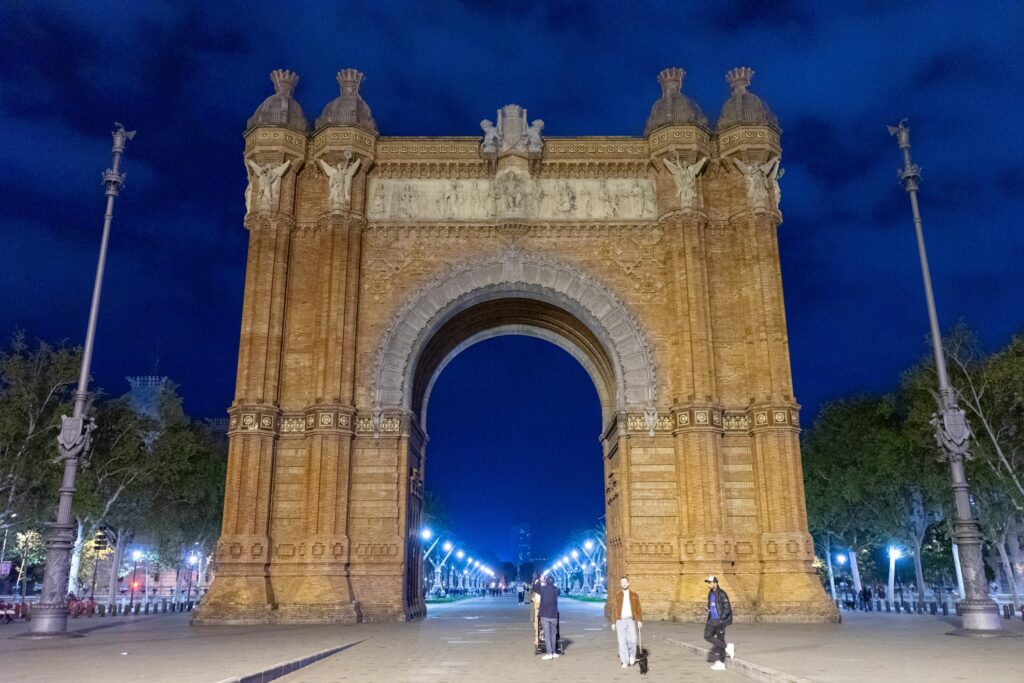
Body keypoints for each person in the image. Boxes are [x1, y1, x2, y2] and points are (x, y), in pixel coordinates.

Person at [610, 576, 643, 668]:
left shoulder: (634, 595)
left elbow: (638, 609)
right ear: (620, 584)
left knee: (633, 640)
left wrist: (639, 620)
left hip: (630, 620)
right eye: (622, 582)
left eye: (625, 582)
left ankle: (632, 655)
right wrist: (613, 622)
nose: (624, 584)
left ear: (629, 583)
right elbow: (613, 609)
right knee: (622, 642)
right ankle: (625, 661)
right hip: (620, 620)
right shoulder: (617, 595)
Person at [704, 575, 734, 671]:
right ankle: (727, 647)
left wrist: (721, 619)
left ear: (715, 583)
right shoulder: (710, 594)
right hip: (712, 620)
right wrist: (709, 609)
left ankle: (721, 663)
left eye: (710, 583)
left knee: (720, 640)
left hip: (719, 621)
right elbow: (713, 605)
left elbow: (727, 608)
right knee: (707, 636)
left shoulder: (722, 594)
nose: (709, 585)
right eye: (708, 583)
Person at [535, 574, 561, 660]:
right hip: (554, 615)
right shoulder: (556, 590)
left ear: (546, 582)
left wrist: (541, 580)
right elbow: (557, 589)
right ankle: (553, 652)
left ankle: (549, 653)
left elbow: (534, 587)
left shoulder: (543, 590)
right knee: (553, 635)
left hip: (544, 615)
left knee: (547, 635)